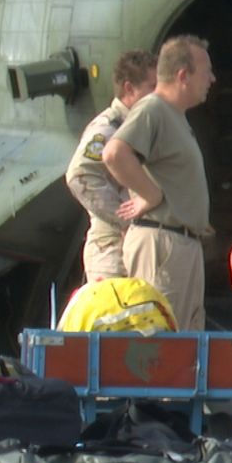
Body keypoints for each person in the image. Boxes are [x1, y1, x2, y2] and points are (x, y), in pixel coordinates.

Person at [102, 35, 216, 331]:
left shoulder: (175, 115)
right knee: (161, 342)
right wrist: (150, 194)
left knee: (185, 342)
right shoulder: (153, 109)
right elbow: (114, 153)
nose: (212, 79)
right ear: (183, 75)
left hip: (181, 244)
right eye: (206, 72)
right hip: (163, 245)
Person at [65, 49, 158, 282]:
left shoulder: (142, 127)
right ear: (129, 89)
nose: (159, 95)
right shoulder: (109, 129)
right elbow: (80, 175)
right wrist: (127, 219)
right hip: (113, 255)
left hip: (137, 251)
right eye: (152, 87)